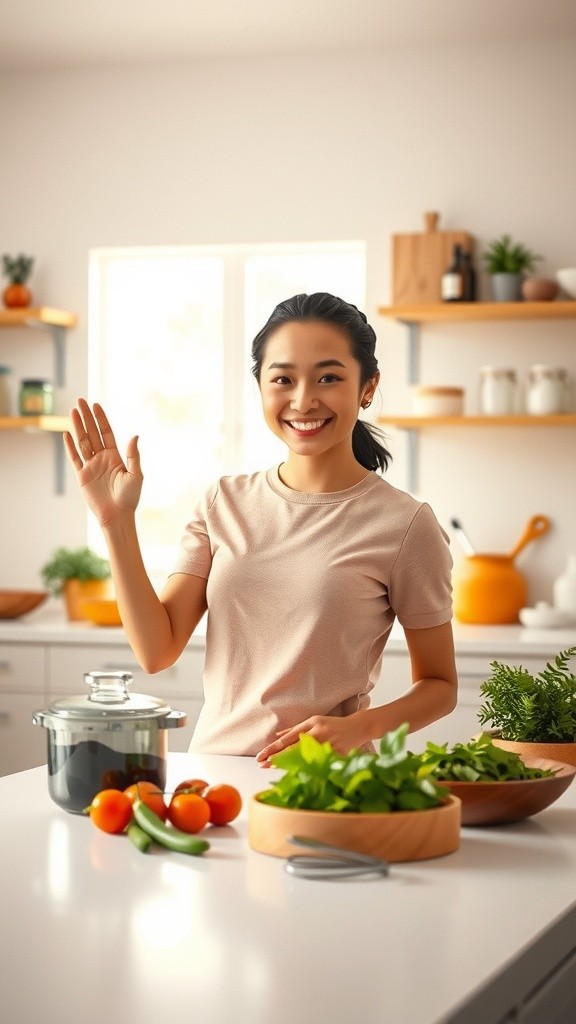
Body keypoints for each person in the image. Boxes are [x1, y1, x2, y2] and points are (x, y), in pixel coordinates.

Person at [64, 292, 457, 764]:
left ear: (367, 387)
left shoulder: (404, 524)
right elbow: (156, 650)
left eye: (329, 377)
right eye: (283, 379)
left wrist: (358, 728)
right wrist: (116, 522)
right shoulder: (222, 502)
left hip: (329, 781)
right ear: (262, 388)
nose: (303, 399)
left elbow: (440, 685)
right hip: (214, 774)